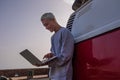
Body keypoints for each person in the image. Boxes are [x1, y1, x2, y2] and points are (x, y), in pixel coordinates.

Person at [35, 12, 74, 80]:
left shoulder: (65, 32)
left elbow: (66, 56)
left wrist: (46, 63)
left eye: (47, 24)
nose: (46, 28)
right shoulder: (52, 37)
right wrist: (50, 55)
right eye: (44, 26)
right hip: (53, 74)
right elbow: (55, 54)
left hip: (63, 75)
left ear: (53, 20)